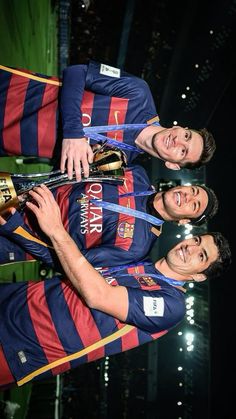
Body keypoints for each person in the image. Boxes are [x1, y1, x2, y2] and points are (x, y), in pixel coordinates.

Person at [0, 185, 231, 389]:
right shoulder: (139, 263)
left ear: (199, 277)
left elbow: (98, 296)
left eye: (201, 256)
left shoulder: (172, 305)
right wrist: (19, 230)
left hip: (23, 345)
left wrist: (56, 231)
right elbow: (67, 261)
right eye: (197, 241)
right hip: (15, 297)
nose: (190, 248)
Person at [0, 61, 216, 181]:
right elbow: (76, 72)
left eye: (183, 152)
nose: (177, 142)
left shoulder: (119, 163)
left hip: (8, 142)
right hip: (10, 92)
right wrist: (74, 133)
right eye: (186, 136)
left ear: (173, 165)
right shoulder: (139, 93)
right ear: (180, 128)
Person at [0, 164, 218, 267]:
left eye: (194, 205)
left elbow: (72, 264)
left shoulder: (138, 246)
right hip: (16, 192)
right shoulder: (136, 174)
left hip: (14, 236)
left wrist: (16, 228)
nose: (188, 196)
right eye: (193, 191)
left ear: (183, 221)